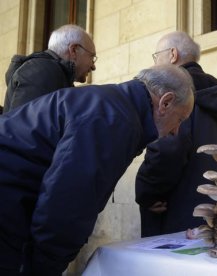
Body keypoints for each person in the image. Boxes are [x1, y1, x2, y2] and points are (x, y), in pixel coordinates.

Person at [0, 64, 194, 276]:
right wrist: (44, 266)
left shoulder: (113, 104)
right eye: (180, 119)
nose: (176, 131)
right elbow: (68, 203)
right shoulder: (115, 119)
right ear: (165, 102)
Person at [135, 31, 217, 237]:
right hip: (213, 210)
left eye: (156, 56)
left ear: (172, 54)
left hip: (174, 210)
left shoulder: (176, 90)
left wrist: (147, 193)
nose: (155, 64)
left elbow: (168, 149)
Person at [3, 24, 97, 113]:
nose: (93, 67)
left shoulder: (49, 72)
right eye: (92, 57)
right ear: (73, 50)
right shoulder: (42, 72)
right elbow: (25, 126)